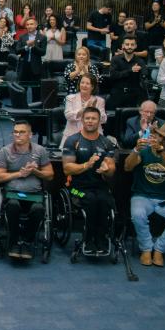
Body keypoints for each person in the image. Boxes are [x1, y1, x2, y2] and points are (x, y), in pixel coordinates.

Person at [124, 122, 165, 267]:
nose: (162, 140)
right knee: (138, 214)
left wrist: (162, 152)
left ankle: (159, 250)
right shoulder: (144, 151)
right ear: (155, 134)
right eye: (160, 136)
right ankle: (146, 249)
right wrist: (136, 150)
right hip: (142, 196)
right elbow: (127, 167)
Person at [0, 121, 54, 259]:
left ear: (30, 135)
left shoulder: (40, 151)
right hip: (12, 194)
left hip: (34, 195)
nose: (17, 134)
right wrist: (19, 174)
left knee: (39, 209)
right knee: (13, 206)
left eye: (22, 132)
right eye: (15, 132)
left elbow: (50, 175)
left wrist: (35, 171)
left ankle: (27, 242)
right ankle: (14, 242)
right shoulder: (5, 151)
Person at [62, 107, 117, 254]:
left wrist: (107, 169)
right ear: (82, 120)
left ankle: (102, 239)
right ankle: (89, 239)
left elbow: (111, 170)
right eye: (87, 118)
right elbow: (67, 169)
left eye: (93, 118)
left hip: (100, 187)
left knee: (105, 200)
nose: (90, 121)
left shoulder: (106, 143)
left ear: (99, 121)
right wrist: (87, 165)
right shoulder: (72, 140)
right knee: (90, 199)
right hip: (75, 189)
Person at [62, 74, 106, 148]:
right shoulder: (70, 98)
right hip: (73, 135)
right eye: (82, 83)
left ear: (92, 87)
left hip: (94, 136)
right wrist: (84, 109)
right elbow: (68, 116)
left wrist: (95, 111)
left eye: (87, 83)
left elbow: (104, 120)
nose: (84, 85)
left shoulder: (99, 101)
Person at [107, 37, 146, 110]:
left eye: (132, 44)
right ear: (123, 46)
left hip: (133, 95)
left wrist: (141, 72)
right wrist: (130, 71)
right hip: (117, 93)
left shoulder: (140, 61)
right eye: (127, 44)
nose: (129, 47)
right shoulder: (115, 59)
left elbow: (145, 75)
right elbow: (113, 75)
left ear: (135, 46)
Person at [15, 18, 46, 98]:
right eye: (27, 24)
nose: (29, 26)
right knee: (21, 90)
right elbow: (17, 51)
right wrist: (26, 47)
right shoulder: (22, 37)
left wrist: (33, 46)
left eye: (31, 24)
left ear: (36, 25)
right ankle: (22, 109)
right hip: (23, 67)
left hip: (35, 67)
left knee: (36, 92)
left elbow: (43, 52)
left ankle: (35, 109)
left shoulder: (42, 37)